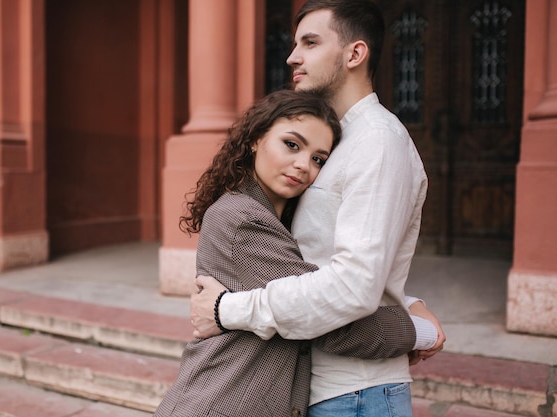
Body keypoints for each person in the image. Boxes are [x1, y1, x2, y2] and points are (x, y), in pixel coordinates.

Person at [190, 1, 446, 416]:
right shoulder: (334, 142)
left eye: (310, 42)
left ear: (354, 54)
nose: (293, 56)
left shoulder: (377, 141)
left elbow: (353, 285)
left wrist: (226, 309)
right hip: (322, 385)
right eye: (295, 44)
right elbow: (324, 258)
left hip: (356, 391)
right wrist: (406, 305)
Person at [154, 89, 428, 417]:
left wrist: (409, 301)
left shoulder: (278, 219)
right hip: (221, 402)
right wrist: (420, 331)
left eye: (318, 159)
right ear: (255, 139)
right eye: (292, 145)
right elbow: (333, 322)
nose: (303, 166)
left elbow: (317, 288)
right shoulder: (243, 219)